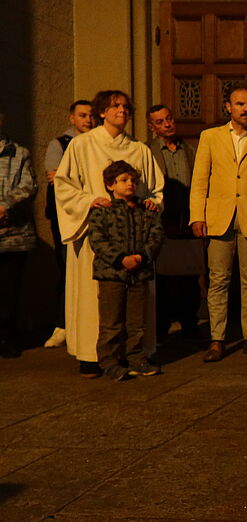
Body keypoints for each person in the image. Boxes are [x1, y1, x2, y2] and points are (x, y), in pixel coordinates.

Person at [54, 90, 164, 378]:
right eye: (115, 107)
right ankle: (93, 356)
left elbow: (155, 189)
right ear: (102, 112)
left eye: (126, 107)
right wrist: (89, 201)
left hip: (134, 236)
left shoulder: (139, 150)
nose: (122, 111)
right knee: (97, 302)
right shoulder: (82, 145)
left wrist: (154, 202)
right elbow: (64, 185)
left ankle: (134, 354)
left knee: (136, 304)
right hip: (98, 235)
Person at [190, 85, 247, 362]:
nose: (246, 109)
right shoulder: (210, 137)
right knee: (218, 280)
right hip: (219, 217)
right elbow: (200, 180)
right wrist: (198, 215)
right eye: (240, 104)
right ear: (228, 106)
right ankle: (217, 339)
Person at [89, 161, 165, 380]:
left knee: (136, 323)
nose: (130, 184)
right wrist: (121, 259)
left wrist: (141, 256)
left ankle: (136, 357)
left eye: (133, 180)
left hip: (139, 273)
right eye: (123, 180)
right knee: (111, 323)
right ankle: (109, 361)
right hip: (111, 275)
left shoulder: (146, 210)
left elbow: (156, 236)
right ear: (110, 185)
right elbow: (98, 240)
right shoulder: (103, 211)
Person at [148, 104, 203, 341]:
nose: (167, 124)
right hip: (161, 222)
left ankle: (189, 326)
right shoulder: (147, 151)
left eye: (169, 119)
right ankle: (161, 330)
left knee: (189, 278)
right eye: (160, 122)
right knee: (163, 279)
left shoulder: (189, 150)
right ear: (152, 127)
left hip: (187, 222)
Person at [43, 99, 93, 348]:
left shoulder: (96, 143)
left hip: (92, 214)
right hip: (65, 216)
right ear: (72, 118)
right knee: (66, 269)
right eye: (82, 115)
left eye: (91, 115)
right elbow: (55, 177)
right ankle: (63, 324)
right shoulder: (59, 144)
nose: (88, 120)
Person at [0, 111, 38, 358]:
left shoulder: (19, 153)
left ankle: (6, 338)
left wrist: (4, 205)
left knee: (8, 292)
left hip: (13, 235)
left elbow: (29, 185)